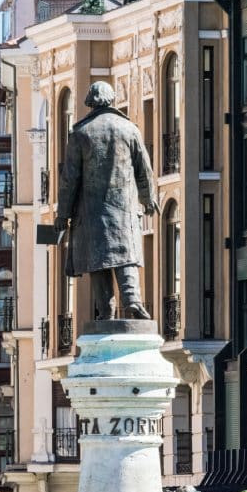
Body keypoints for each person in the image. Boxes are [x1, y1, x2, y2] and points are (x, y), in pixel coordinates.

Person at [54, 81, 158, 320]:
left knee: (98, 259)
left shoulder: (80, 133)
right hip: (125, 208)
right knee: (126, 255)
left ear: (90, 103)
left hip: (91, 211)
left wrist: (63, 214)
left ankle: (106, 309)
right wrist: (148, 197)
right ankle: (132, 300)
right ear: (112, 100)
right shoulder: (129, 129)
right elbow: (145, 168)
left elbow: (70, 178)